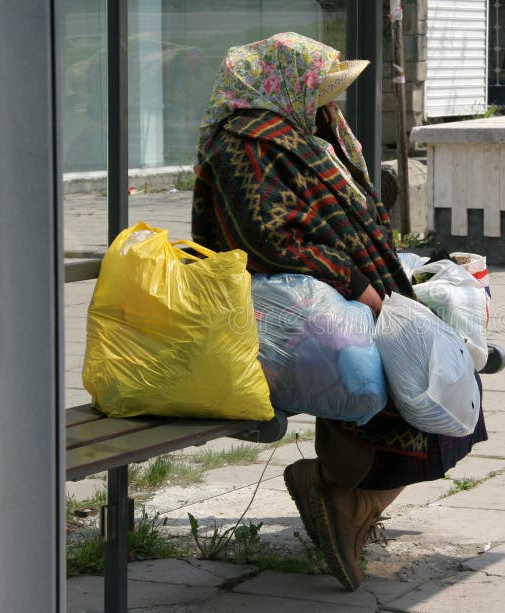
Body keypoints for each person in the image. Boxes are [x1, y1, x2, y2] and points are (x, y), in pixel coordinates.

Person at [191, 32, 487, 591]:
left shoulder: (300, 130)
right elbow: (270, 238)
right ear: (283, 84)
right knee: (420, 393)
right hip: (302, 311)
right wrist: (360, 287)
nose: (329, 102)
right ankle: (343, 500)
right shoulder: (247, 142)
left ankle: (347, 501)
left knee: (447, 390)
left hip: (346, 298)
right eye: (320, 89)